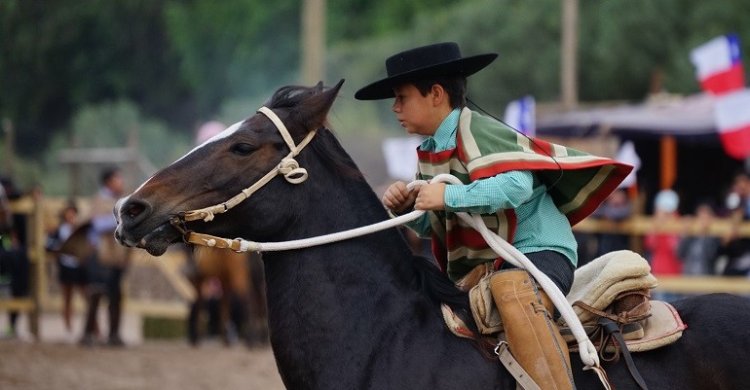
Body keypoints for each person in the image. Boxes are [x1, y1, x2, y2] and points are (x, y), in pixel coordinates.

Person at [355, 42, 631, 390]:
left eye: (402, 97)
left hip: (540, 253)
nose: (395, 107)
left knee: (511, 289)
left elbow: (516, 186)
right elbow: (437, 225)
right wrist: (408, 209)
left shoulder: (478, 130)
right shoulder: (430, 152)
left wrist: (447, 194)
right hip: (491, 265)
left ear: (436, 94)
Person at [80, 167, 132, 347]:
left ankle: (114, 335)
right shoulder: (100, 201)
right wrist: (121, 220)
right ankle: (88, 334)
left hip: (116, 257)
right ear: (109, 181)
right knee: (96, 293)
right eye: (118, 179)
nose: (121, 182)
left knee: (116, 295)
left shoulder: (120, 201)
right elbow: (96, 224)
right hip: (100, 256)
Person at [46, 200, 88, 338]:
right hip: (65, 266)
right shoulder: (59, 230)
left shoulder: (80, 230)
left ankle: (92, 326)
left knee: (86, 296)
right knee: (67, 297)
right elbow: (49, 245)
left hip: (79, 266)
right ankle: (68, 326)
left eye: (73, 213)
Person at [643, 189, 682, 276]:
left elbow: (676, 249)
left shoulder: (677, 222)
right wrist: (656, 226)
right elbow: (650, 245)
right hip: (657, 270)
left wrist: (670, 226)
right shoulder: (654, 222)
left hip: (674, 272)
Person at [677, 201, 721, 276]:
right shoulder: (691, 236)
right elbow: (679, 254)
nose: (702, 222)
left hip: (706, 279)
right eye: (700, 218)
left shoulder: (714, 237)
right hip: (688, 279)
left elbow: (711, 255)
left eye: (705, 218)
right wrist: (685, 235)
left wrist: (706, 234)